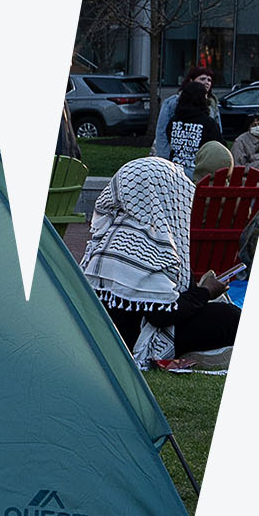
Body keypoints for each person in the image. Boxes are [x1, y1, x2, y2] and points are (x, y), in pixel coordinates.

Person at [79, 156, 240, 366]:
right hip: (138, 340)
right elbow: (162, 315)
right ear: (161, 194)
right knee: (230, 317)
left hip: (113, 336)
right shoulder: (141, 242)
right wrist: (205, 292)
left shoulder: (113, 231)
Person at [162, 79, 224, 180]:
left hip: (174, 173)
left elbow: (169, 140)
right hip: (198, 175)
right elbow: (219, 147)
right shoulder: (208, 123)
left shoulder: (173, 121)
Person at [153, 66, 217, 162]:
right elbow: (161, 132)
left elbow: (217, 135)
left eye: (209, 80)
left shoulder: (212, 104)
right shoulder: (173, 102)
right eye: (202, 79)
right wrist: (165, 160)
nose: (207, 82)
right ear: (191, 80)